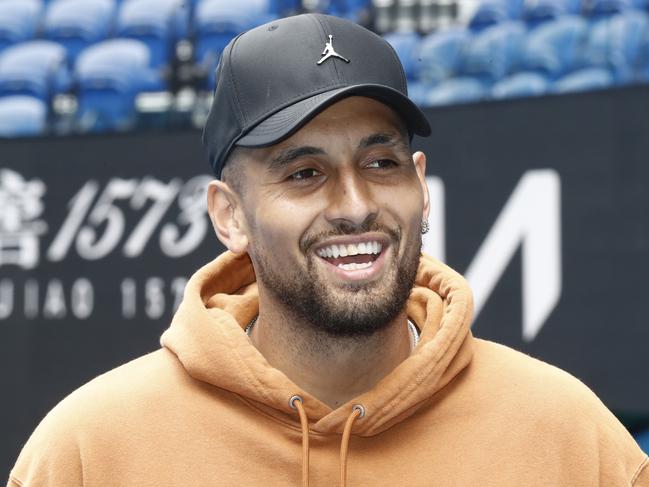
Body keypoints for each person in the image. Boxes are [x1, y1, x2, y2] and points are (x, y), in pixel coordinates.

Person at [8, 13, 648, 487]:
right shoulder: (91, 452)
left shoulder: (570, 439)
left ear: (421, 185)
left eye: (380, 161)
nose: (353, 204)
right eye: (304, 173)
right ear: (229, 216)